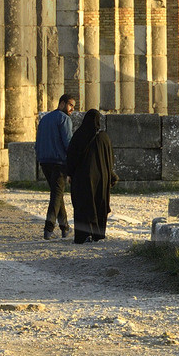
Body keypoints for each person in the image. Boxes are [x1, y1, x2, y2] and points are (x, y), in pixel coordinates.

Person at [65, 108, 116, 243]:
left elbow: (72, 156)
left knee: (84, 205)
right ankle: (98, 234)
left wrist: (69, 173)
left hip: (83, 178)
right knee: (99, 204)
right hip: (102, 177)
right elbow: (110, 159)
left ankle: (83, 235)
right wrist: (110, 175)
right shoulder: (104, 137)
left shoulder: (79, 135)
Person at [35, 93, 77, 240]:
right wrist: (73, 162)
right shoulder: (64, 119)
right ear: (62, 103)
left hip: (44, 161)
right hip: (59, 162)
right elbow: (68, 143)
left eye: (73, 106)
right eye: (70, 105)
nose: (72, 109)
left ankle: (65, 227)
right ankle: (48, 228)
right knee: (56, 195)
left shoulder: (45, 119)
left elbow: (38, 141)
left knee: (57, 194)